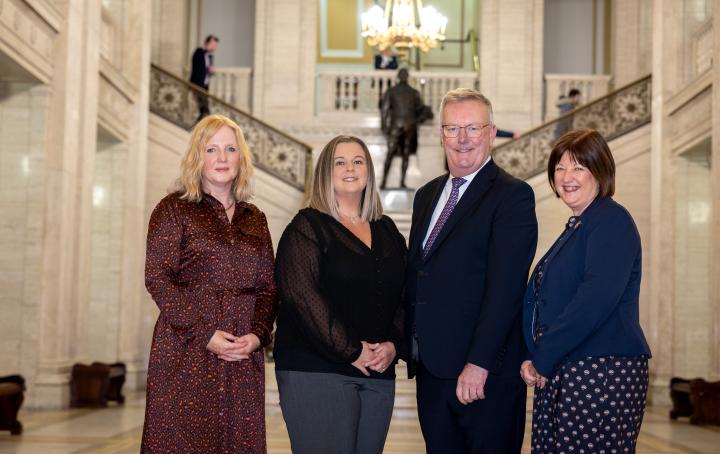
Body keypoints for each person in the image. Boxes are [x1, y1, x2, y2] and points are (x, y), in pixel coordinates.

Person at [406, 88, 538, 453]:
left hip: (482, 376)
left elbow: (506, 289)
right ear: (441, 135)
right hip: (433, 373)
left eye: (472, 128)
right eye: (452, 128)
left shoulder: (513, 196)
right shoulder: (427, 195)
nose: (462, 139)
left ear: (492, 133)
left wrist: (478, 364)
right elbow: (419, 275)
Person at [142, 114, 278, 453]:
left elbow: (268, 288)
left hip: (242, 357)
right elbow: (157, 278)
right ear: (196, 157)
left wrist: (258, 335)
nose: (222, 158)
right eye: (211, 149)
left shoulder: (255, 218)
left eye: (230, 149)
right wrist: (204, 334)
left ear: (241, 158)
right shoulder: (173, 210)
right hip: (185, 353)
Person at [520, 128, 651, 453]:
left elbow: (593, 301)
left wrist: (543, 357)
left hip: (599, 372)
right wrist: (533, 354)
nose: (566, 176)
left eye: (579, 167)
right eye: (560, 168)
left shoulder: (610, 221)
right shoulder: (581, 225)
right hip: (570, 367)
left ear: (600, 170)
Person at [273, 135, 407, 454]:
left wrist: (394, 345)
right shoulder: (307, 226)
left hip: (377, 370)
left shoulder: (387, 230)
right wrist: (351, 351)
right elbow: (300, 296)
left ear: (369, 171)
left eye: (358, 161)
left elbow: (406, 293)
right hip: (316, 369)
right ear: (325, 173)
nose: (350, 168)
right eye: (340, 162)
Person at [380, 68, 430, 189]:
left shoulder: (391, 91)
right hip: (410, 124)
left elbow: (384, 110)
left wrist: (384, 125)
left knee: (390, 153)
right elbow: (420, 109)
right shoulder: (414, 92)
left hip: (396, 124)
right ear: (407, 77)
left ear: (398, 77)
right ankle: (401, 182)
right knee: (405, 153)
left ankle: (384, 182)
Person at [190, 35, 219, 122]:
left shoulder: (210, 56)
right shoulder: (199, 52)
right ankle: (200, 124)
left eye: (216, 45)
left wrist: (211, 71)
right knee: (204, 108)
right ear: (207, 43)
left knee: (204, 109)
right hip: (197, 84)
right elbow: (197, 66)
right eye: (213, 45)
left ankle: (200, 123)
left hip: (205, 85)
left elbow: (208, 71)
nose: (215, 47)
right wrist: (208, 69)